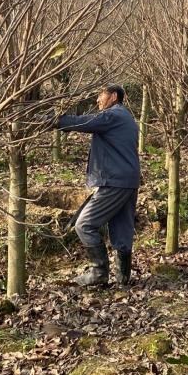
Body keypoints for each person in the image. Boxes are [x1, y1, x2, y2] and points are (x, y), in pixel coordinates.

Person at [56, 84, 140, 287]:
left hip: (115, 181)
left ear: (113, 96)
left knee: (84, 224)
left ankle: (99, 273)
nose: (97, 100)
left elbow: (86, 121)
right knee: (122, 228)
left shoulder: (113, 115)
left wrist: (55, 120)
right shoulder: (125, 117)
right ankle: (122, 278)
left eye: (100, 95)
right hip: (127, 180)